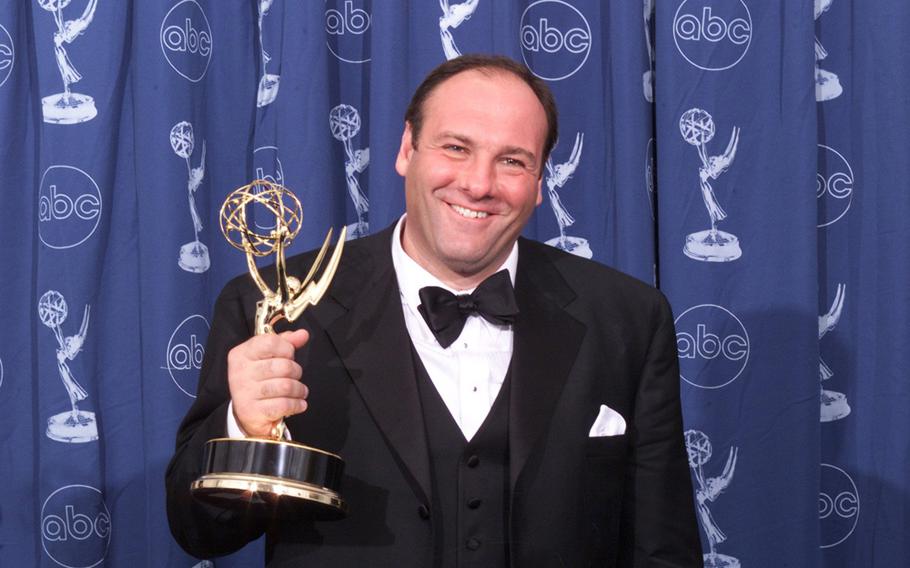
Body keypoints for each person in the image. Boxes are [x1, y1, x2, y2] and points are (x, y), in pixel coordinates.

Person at [166, 54, 702, 567]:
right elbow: (199, 531)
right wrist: (242, 428)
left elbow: (661, 548)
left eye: (512, 160)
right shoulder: (275, 306)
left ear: (540, 184)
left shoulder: (628, 318)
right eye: (455, 147)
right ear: (407, 149)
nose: (478, 183)